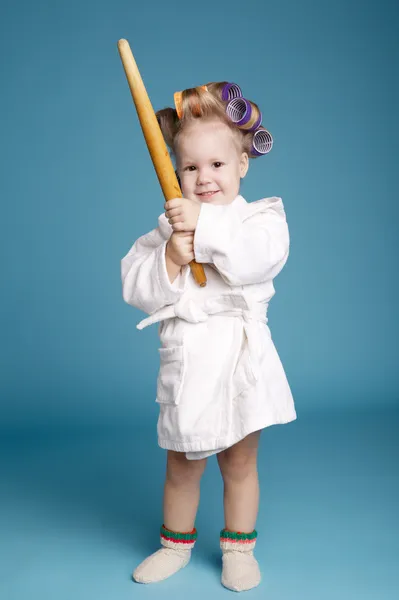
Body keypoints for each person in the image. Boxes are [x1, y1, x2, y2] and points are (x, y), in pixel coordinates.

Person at [121, 82, 297, 592]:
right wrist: (170, 259)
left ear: (242, 163)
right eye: (190, 168)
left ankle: (238, 549)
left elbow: (255, 259)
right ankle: (173, 546)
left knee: (240, 463)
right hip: (190, 361)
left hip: (242, 362)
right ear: (175, 170)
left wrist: (207, 226)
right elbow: (134, 284)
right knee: (182, 462)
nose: (203, 178)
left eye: (217, 165)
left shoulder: (262, 219)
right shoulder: (168, 227)